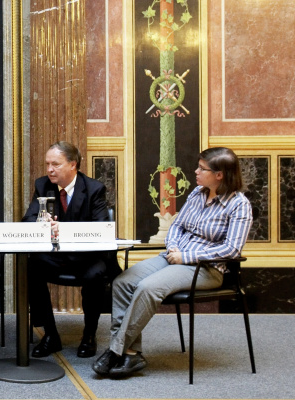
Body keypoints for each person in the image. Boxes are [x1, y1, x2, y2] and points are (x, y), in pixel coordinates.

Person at [92, 147, 252, 378]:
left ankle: (115, 351)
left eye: (202, 168)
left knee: (148, 288)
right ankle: (130, 352)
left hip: (205, 269)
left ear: (220, 175)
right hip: (173, 257)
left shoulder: (239, 205)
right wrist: (174, 247)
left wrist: (185, 257)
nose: (196, 171)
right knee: (123, 282)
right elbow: (177, 226)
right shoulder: (198, 193)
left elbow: (232, 248)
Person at [21, 141, 119, 358]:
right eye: (47, 164)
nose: (49, 169)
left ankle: (89, 335)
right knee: (30, 266)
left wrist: (63, 229)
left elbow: (101, 229)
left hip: (87, 257)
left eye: (55, 164)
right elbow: (27, 219)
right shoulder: (43, 186)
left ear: (73, 164)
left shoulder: (94, 189)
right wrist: (39, 221)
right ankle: (50, 334)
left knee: (96, 274)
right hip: (56, 257)